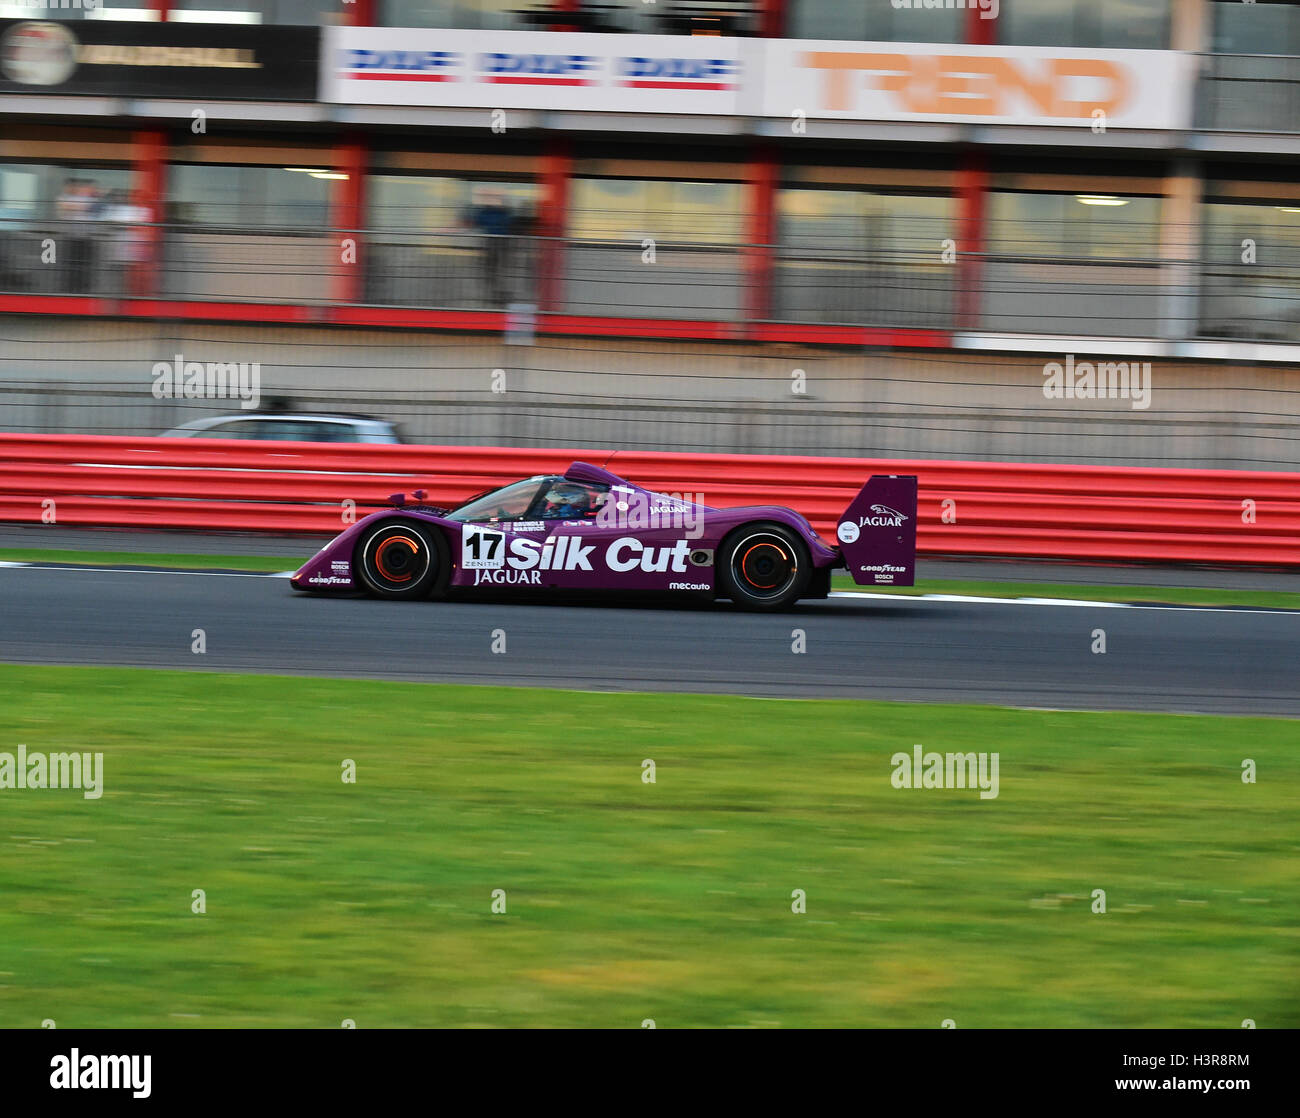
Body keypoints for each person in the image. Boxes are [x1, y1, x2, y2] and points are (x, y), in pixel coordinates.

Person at [465, 188, 513, 305]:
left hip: (492, 242)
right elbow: (508, 223)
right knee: (498, 269)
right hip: (501, 242)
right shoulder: (503, 212)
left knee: (491, 269)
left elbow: (476, 222)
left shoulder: (487, 211)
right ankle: (498, 293)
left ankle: (494, 294)